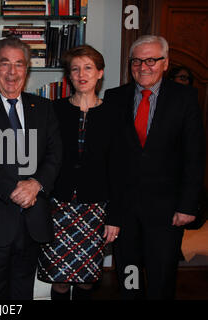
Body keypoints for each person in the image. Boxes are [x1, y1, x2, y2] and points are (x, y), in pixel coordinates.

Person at [104, 35, 205, 300]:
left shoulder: (184, 98)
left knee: (161, 278)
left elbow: (193, 155)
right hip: (125, 210)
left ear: (165, 63)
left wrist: (187, 205)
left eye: (151, 60)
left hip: (167, 211)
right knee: (129, 276)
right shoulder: (115, 98)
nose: (142, 66)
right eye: (136, 61)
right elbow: (110, 157)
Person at [0, 37, 62, 300]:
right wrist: (15, 190)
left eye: (19, 64)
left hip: (32, 221)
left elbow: (54, 154)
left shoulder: (43, 108)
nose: (12, 72)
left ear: (26, 70)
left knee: (23, 292)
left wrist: (36, 184)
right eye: (5, 63)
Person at [37, 45, 123, 300]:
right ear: (69, 76)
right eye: (75, 69)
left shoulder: (115, 113)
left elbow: (120, 169)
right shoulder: (53, 110)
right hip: (56, 207)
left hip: (96, 209)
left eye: (88, 68)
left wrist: (115, 216)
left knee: (86, 281)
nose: (81, 74)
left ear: (100, 73)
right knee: (59, 280)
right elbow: (42, 158)